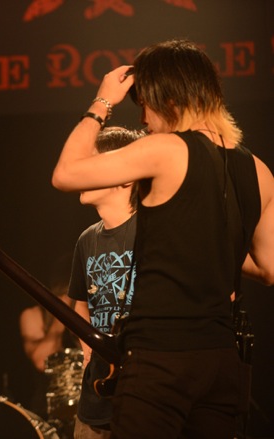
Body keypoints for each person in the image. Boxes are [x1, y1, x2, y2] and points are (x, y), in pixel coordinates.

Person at [51, 38, 274, 438]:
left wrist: (102, 102)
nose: (143, 119)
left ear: (169, 99)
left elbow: (66, 173)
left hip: (161, 357)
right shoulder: (259, 170)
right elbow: (269, 268)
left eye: (145, 106)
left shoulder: (166, 149)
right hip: (221, 362)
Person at [67, 127, 143, 439]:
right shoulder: (87, 239)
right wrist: (89, 346)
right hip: (95, 400)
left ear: (125, 178)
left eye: (93, 163)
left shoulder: (153, 231)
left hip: (143, 394)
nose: (82, 173)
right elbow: (80, 303)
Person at [19, 257, 79, 422]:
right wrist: (61, 313)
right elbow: (41, 362)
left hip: (92, 405)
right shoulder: (33, 315)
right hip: (49, 412)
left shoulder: (92, 311)